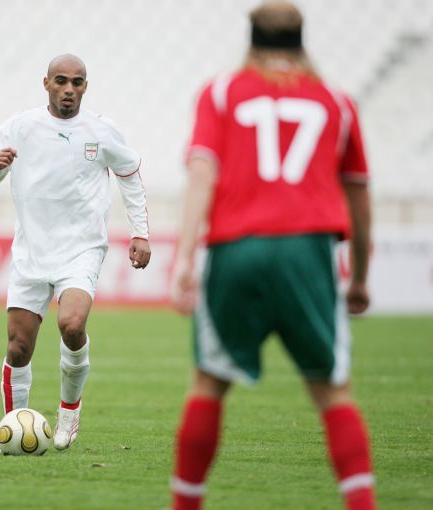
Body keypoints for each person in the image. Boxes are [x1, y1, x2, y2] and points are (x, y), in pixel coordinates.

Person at [169, 2, 376, 509]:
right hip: (308, 249)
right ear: (302, 40)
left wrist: (184, 258)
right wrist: (359, 277)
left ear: (251, 38)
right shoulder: (336, 101)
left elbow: (202, 172)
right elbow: (358, 193)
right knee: (333, 392)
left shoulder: (221, 92)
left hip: (235, 248)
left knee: (208, 383)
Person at [0, 54, 151, 451]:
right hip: (31, 251)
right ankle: (13, 429)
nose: (69, 89)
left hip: (81, 249)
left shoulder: (102, 131)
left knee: (72, 325)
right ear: (46, 84)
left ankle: (69, 411)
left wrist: (140, 233)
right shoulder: (19, 127)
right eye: (61, 81)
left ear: (86, 86)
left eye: (77, 82)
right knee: (18, 347)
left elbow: (129, 173)